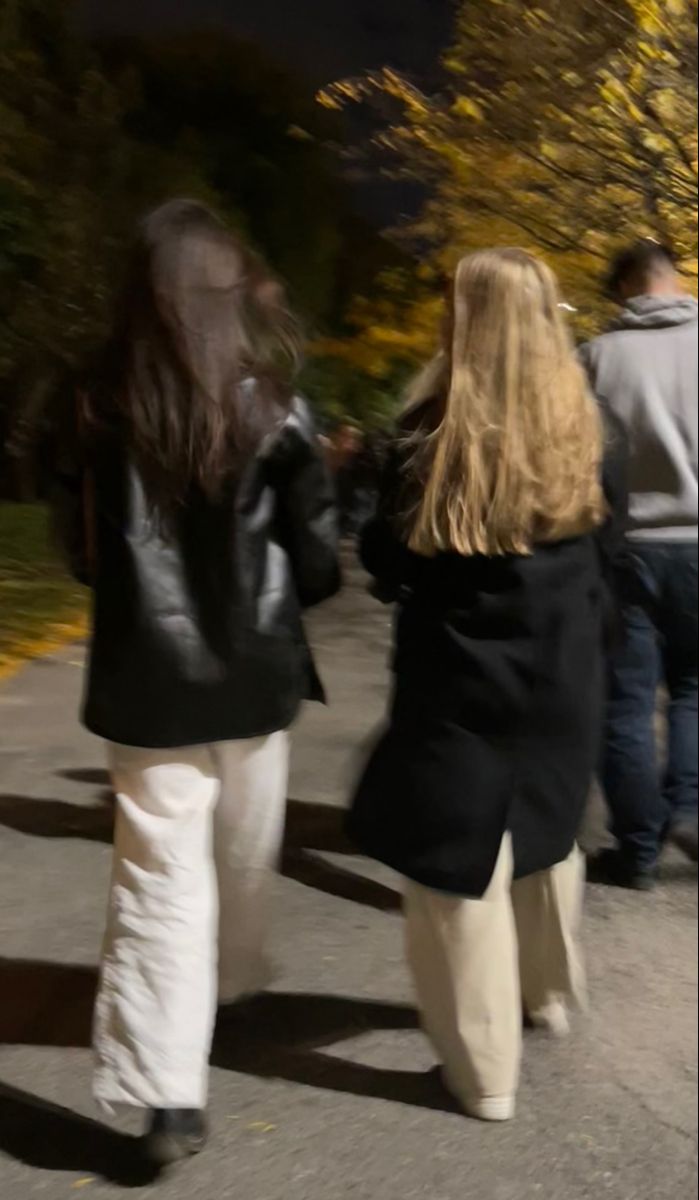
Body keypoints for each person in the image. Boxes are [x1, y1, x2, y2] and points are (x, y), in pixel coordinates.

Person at [53, 199, 340, 1166]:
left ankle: (167, 1092)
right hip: (256, 675)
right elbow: (316, 557)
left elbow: (84, 549)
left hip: (146, 679)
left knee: (157, 874)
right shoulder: (275, 404)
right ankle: (230, 987)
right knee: (244, 846)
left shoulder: (94, 399)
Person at [348, 248, 625, 1123]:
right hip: (564, 661)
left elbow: (389, 562)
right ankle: (546, 992)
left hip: (461, 673)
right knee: (549, 824)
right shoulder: (587, 424)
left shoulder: (425, 436)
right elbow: (606, 547)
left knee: (452, 871)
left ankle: (483, 1071)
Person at [581, 241, 698, 890]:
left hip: (625, 547)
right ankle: (688, 809)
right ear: (672, 277)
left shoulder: (594, 358)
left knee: (623, 704)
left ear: (625, 285)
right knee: (692, 691)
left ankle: (637, 851)